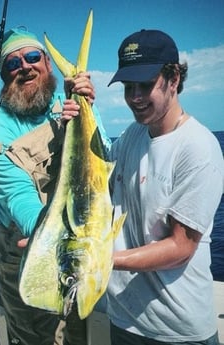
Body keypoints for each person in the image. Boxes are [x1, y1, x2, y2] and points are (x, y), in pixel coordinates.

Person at [65, 29, 224, 344]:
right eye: (128, 87)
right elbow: (98, 174)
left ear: (173, 78)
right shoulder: (132, 136)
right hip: (124, 319)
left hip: (177, 332)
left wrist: (97, 258)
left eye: (145, 85)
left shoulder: (198, 148)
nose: (135, 97)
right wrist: (83, 105)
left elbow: (181, 247)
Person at [0, 27, 110, 345]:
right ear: (4, 77)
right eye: (12, 64)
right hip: (29, 249)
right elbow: (18, 197)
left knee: (80, 328)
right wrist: (51, 238)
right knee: (36, 336)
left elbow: (103, 158)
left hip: (74, 238)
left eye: (31, 57)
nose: (24, 67)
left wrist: (87, 107)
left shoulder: (67, 103)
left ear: (47, 64)